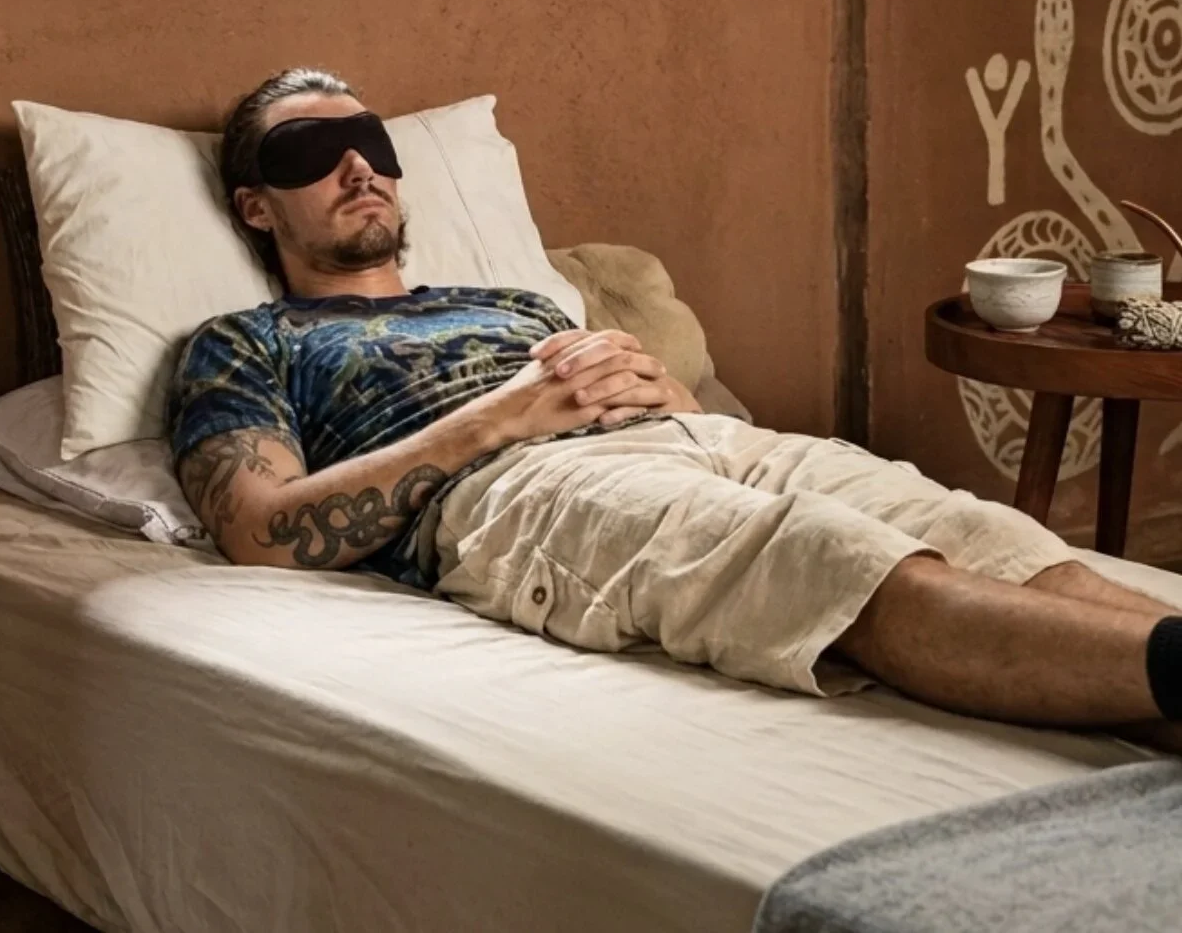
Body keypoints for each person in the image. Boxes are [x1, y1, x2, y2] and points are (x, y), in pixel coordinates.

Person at [169, 68, 1182, 746]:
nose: (357, 167)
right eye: (310, 154)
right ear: (257, 205)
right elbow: (258, 532)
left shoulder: (515, 302)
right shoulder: (246, 342)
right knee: (827, 560)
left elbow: (680, 423)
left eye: (368, 142)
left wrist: (668, 391)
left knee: (980, 532)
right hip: (517, 489)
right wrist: (504, 417)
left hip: (697, 439)